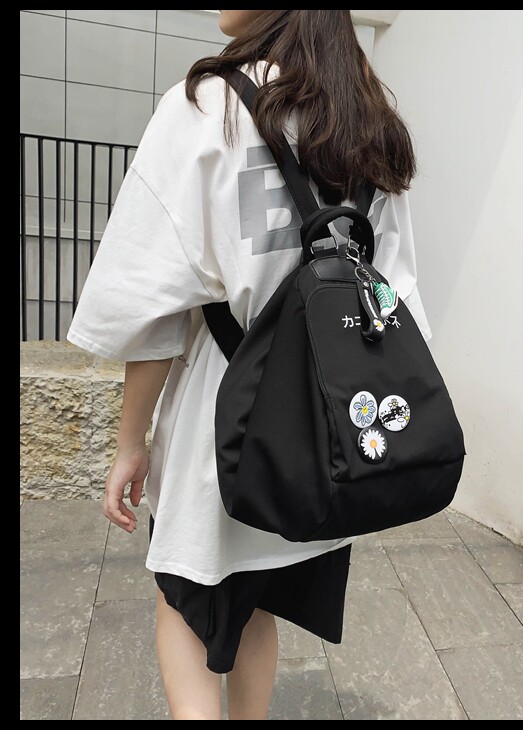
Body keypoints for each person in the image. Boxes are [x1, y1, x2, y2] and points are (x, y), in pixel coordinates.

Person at [67, 9, 430, 720]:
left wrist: (130, 441)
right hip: (325, 434)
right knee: (258, 598)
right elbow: (396, 291)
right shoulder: (367, 120)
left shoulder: (209, 106)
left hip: (221, 422)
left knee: (187, 605)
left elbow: (154, 301)